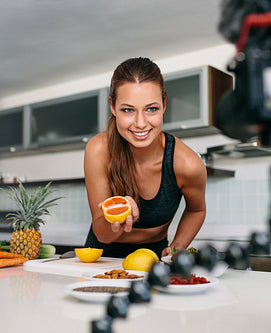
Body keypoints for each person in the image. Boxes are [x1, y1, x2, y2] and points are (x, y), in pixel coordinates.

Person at [83, 57, 207, 259]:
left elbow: (197, 210)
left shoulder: (187, 164)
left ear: (164, 104)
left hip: (154, 258)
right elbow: (101, 233)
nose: (140, 123)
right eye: (128, 110)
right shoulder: (99, 150)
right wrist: (117, 222)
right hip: (101, 257)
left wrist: (177, 246)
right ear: (112, 106)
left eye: (151, 109)